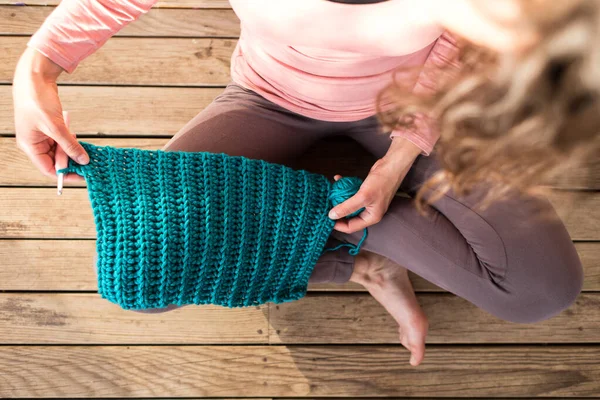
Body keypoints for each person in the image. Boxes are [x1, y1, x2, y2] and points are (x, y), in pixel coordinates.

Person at [13, 0, 596, 367]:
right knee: (149, 269)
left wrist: (398, 161)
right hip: (266, 104)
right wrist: (34, 69)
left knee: (542, 290)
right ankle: (360, 256)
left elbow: (463, 52)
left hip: (411, 112)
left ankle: (318, 209)